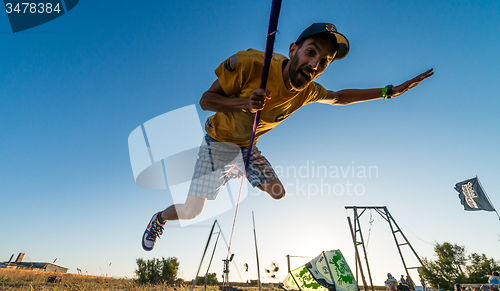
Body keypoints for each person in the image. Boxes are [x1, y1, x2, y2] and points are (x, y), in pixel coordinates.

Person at [141, 22, 434, 251]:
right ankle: (159, 219)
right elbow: (206, 100)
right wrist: (244, 103)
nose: (315, 64)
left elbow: (339, 97)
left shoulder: (308, 92)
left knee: (278, 193)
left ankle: (235, 170)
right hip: (218, 144)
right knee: (192, 210)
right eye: (311, 52)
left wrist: (388, 92)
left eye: (325, 61)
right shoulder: (251, 64)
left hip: (246, 147)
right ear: (294, 49)